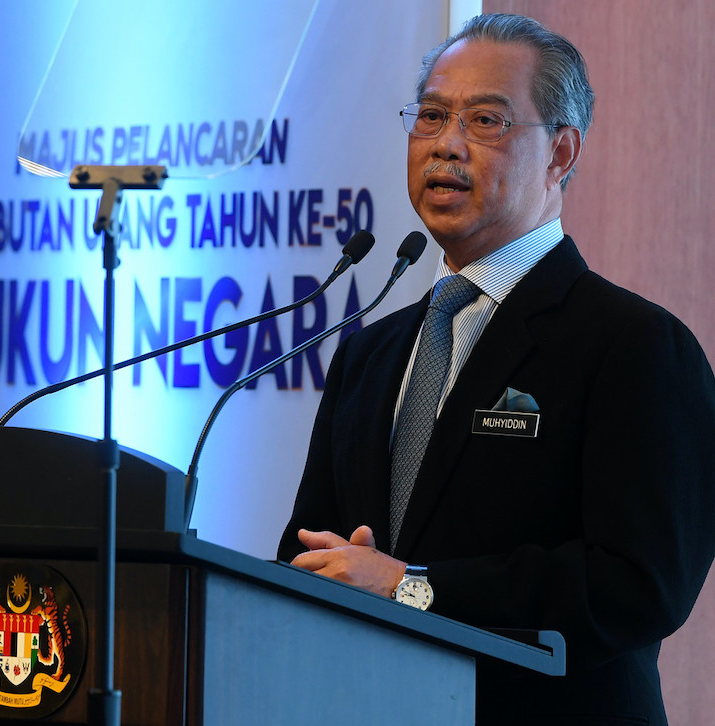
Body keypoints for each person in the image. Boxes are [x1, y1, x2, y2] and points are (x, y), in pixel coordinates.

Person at [278, 13, 715, 726]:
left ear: (560, 153)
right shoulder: (370, 350)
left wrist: (413, 587)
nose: (446, 144)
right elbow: (312, 548)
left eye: (486, 120)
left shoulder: (635, 345)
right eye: (430, 115)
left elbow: (639, 584)